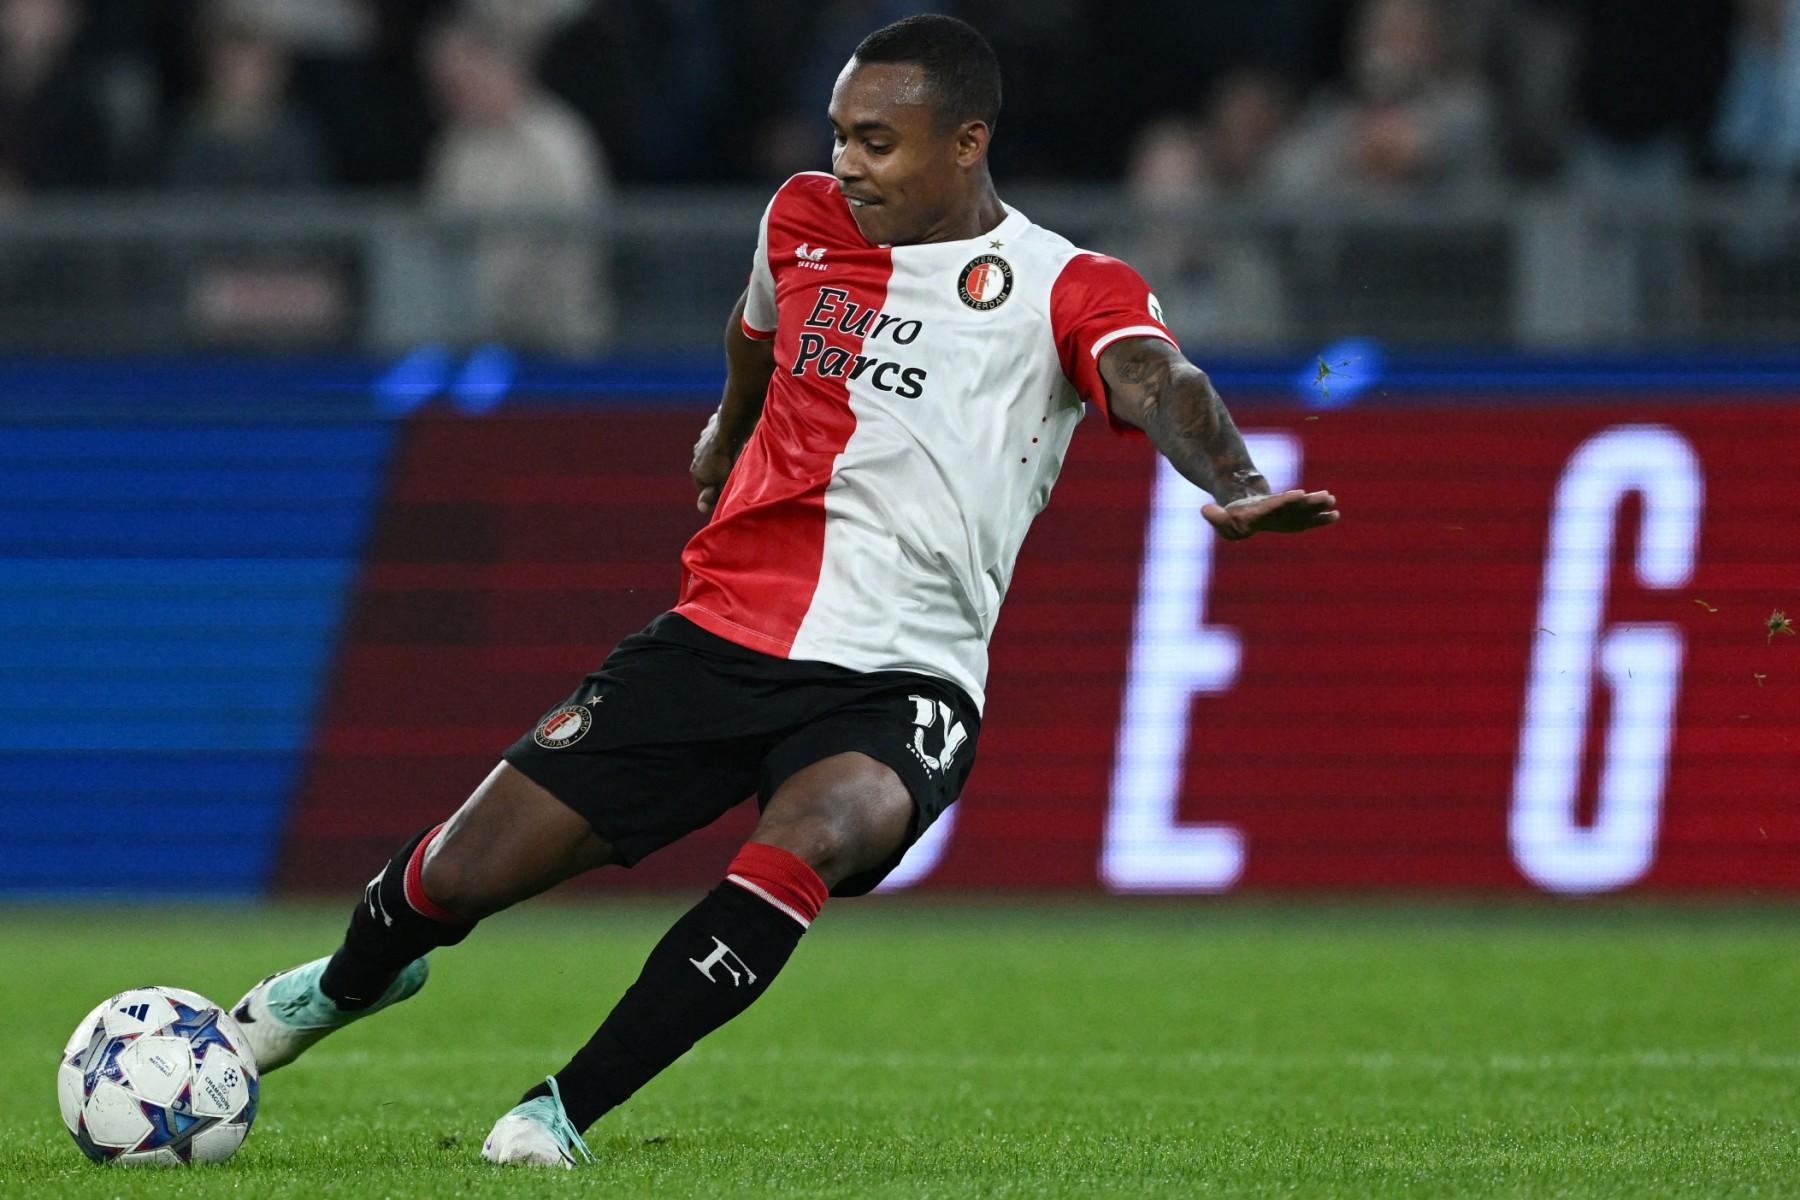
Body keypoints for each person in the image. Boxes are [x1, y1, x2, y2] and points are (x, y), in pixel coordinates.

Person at [230, 13, 1339, 1168]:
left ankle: (557, 1112)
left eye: (877, 141)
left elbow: (1158, 379)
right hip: (722, 632)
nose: (847, 162)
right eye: (840, 135)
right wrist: (728, 429)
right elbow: (756, 330)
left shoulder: (1064, 284)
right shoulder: (801, 219)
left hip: (906, 673)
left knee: (819, 829)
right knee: (462, 873)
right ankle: (345, 984)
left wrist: (1239, 481)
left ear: (967, 142)